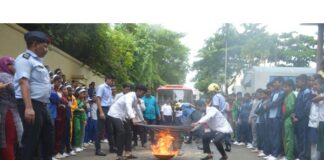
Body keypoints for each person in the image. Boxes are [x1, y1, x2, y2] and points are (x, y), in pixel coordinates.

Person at [14, 31, 54, 160]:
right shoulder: (24, 59)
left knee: (48, 138)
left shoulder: (38, 61)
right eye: (44, 46)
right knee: (30, 141)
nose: (46, 49)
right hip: (31, 104)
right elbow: (23, 82)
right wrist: (29, 107)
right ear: (34, 44)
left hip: (43, 105)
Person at [107, 84, 148, 160]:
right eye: (143, 93)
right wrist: (133, 118)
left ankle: (128, 153)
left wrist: (142, 120)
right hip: (114, 114)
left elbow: (137, 109)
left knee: (129, 133)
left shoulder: (136, 98)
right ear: (138, 91)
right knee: (121, 132)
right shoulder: (130, 96)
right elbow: (128, 106)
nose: (143, 95)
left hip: (122, 116)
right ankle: (119, 155)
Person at [191, 91, 233, 160]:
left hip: (224, 129)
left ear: (203, 106)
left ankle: (224, 156)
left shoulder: (212, 109)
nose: (198, 110)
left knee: (216, 141)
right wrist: (192, 130)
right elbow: (201, 123)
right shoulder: (204, 114)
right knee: (205, 136)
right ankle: (209, 155)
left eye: (198, 108)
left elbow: (208, 117)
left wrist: (196, 123)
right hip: (216, 130)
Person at [0, 56, 23, 160]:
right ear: (6, 65)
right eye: (13, 64)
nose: (16, 66)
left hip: (12, 111)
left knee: (12, 139)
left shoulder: (11, 76)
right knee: (9, 139)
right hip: (8, 111)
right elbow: (17, 91)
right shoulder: (4, 76)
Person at [95, 74, 117, 156]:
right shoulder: (101, 87)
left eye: (113, 81)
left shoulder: (109, 89)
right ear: (107, 79)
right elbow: (98, 99)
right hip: (102, 109)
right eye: (112, 80)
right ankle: (98, 150)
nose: (113, 82)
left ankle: (112, 147)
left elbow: (110, 101)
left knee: (110, 130)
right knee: (100, 130)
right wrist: (101, 112)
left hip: (108, 110)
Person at [264, 77, 285, 160]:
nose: (274, 84)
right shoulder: (273, 93)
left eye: (275, 83)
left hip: (277, 117)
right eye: (274, 83)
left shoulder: (282, 93)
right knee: (272, 135)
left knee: (277, 136)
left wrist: (267, 105)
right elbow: (269, 101)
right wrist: (267, 104)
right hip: (271, 116)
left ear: (280, 83)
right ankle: (272, 153)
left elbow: (276, 103)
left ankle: (276, 154)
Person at [292, 74, 312, 160]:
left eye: (298, 81)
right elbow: (298, 106)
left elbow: (306, 108)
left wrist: (298, 117)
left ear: (303, 82)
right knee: (299, 138)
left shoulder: (307, 92)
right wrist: (294, 114)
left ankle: (303, 157)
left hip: (303, 120)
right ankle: (300, 155)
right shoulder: (301, 91)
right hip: (297, 119)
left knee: (303, 139)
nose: (296, 83)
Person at [282, 80, 297, 160]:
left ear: (291, 87)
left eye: (286, 87)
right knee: (287, 138)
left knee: (289, 139)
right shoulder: (287, 95)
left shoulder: (291, 95)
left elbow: (290, 108)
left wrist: (283, 116)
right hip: (286, 119)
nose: (284, 88)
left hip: (288, 119)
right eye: (284, 87)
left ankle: (289, 157)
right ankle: (288, 155)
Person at [308, 76, 322, 160]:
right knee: (313, 144)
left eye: (316, 84)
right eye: (313, 84)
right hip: (312, 123)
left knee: (317, 145)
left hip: (318, 123)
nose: (314, 86)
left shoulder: (321, 95)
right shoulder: (312, 94)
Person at [254, 89, 270, 158]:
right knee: (260, 135)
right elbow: (256, 111)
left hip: (265, 120)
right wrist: (261, 109)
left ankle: (264, 150)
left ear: (266, 95)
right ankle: (261, 149)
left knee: (264, 136)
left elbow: (261, 110)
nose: (261, 95)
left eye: (263, 94)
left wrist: (261, 109)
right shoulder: (261, 102)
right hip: (260, 120)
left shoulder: (268, 101)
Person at [73, 87, 87, 152]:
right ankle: (76, 146)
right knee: (77, 131)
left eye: (84, 93)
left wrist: (85, 119)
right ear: (78, 93)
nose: (84, 94)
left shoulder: (83, 101)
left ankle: (80, 145)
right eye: (82, 93)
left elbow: (84, 111)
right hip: (76, 117)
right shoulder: (75, 100)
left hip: (82, 117)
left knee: (82, 131)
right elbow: (73, 108)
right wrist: (79, 109)